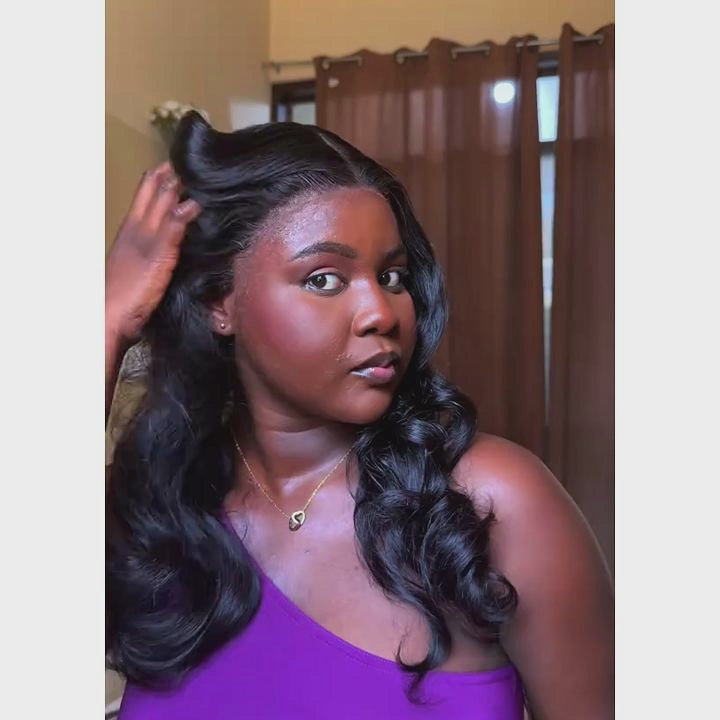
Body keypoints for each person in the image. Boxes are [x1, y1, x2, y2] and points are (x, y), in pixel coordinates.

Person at [105, 112, 613, 719]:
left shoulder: (491, 505)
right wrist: (106, 324)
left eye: (392, 276)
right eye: (324, 279)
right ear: (220, 302)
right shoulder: (160, 507)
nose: (381, 312)